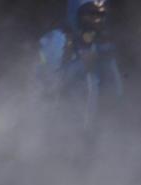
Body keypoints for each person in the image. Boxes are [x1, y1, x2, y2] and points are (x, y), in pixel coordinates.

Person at [37, 0, 123, 131]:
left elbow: (116, 92)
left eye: (101, 15)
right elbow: (47, 87)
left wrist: (106, 59)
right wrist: (80, 65)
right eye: (91, 14)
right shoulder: (57, 39)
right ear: (77, 14)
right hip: (60, 129)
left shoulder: (101, 45)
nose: (97, 20)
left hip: (93, 132)